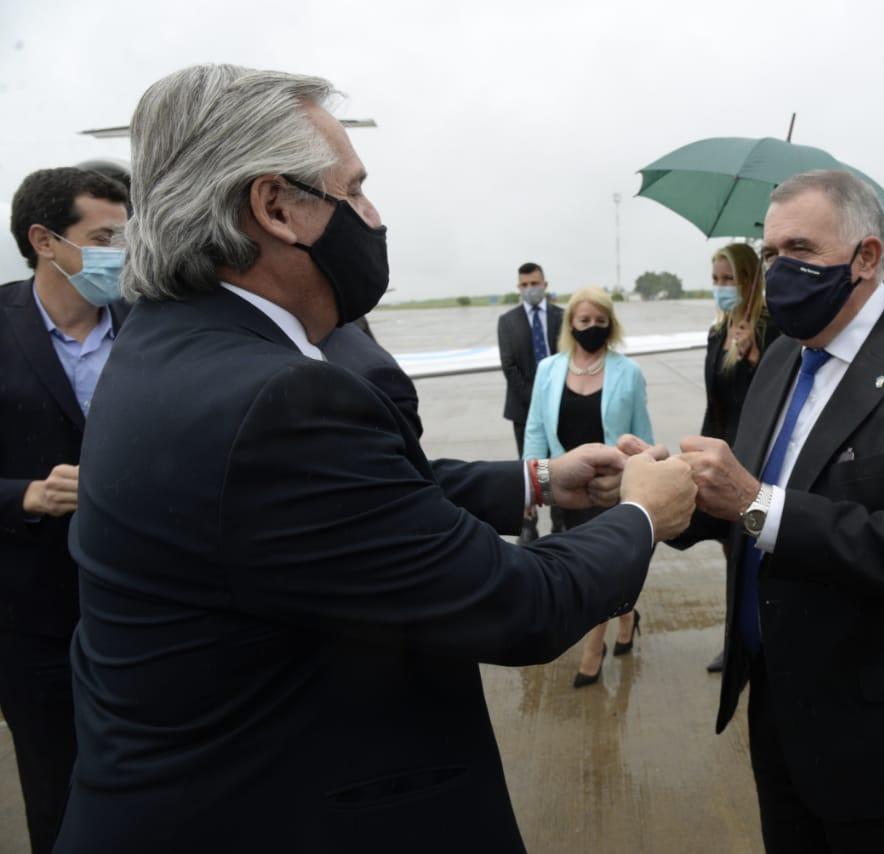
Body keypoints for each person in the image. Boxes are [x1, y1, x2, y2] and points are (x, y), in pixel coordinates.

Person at [55, 65, 697, 854]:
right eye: (353, 192)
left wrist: (535, 480)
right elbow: (518, 604)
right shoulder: (274, 400)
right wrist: (642, 514)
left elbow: (358, 505)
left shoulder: (173, 345)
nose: (373, 216)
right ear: (276, 206)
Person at [669, 169, 884, 852]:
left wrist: (755, 503)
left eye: (800, 250)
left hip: (883, 728)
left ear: (867, 257)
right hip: (778, 705)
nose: (778, 270)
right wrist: (662, 488)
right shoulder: (784, 358)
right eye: (769, 254)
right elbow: (740, 497)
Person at [0, 167, 129, 854]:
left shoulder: (155, 327)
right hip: (35, 625)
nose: (121, 255)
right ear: (45, 241)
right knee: (59, 802)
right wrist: (25, 495)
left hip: (149, 612)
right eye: (104, 237)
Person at [523, 286, 654, 687]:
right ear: (571, 324)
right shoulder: (549, 370)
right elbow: (535, 430)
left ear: (610, 325)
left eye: (600, 321)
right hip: (567, 488)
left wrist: (642, 481)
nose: (592, 328)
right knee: (578, 565)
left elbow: (643, 435)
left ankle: (592, 650)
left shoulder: (627, 372)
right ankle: (628, 618)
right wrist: (530, 486)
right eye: (584, 321)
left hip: (611, 489)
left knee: (600, 571)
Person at [702, 243, 779, 674]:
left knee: (759, 552)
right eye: (715, 280)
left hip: (758, 460)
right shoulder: (718, 331)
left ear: (749, 280)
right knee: (732, 554)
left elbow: (773, 397)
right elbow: (715, 403)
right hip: (723, 455)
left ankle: (765, 635)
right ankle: (737, 640)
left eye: (728, 280)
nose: (721, 288)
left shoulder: (771, 330)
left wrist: (752, 355)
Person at [498, 262, 564, 544]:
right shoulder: (508, 321)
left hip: (562, 406)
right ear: (518, 288)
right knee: (533, 468)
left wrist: (555, 399)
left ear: (545, 284)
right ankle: (529, 522)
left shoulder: (562, 317)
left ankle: (561, 520)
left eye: (534, 284)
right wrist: (538, 402)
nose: (530, 289)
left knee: (559, 464)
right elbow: (509, 367)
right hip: (524, 409)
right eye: (524, 285)